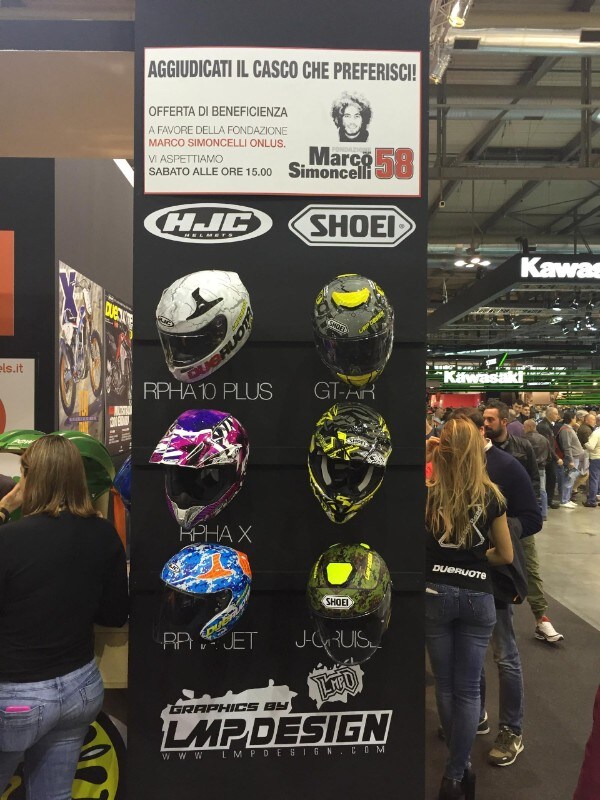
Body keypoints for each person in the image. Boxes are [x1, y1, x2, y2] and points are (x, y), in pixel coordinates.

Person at [0, 434, 129, 799]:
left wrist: (5, 507)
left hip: (17, 697)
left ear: (29, 478)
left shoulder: (8, 539)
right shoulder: (104, 534)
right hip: (79, 689)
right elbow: (115, 615)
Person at [425, 418, 513, 799]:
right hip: (478, 597)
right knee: (468, 689)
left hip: (434, 594)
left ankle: (458, 769)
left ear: (442, 450)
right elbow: (506, 555)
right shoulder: (492, 496)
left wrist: (428, 455)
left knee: (445, 687)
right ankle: (456, 774)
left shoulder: (429, 493)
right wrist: (475, 560)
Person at [483, 401, 563, 645]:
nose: (486, 424)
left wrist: (529, 514)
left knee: (530, 569)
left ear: (504, 422)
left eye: (490, 419)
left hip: (517, 521)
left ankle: (541, 618)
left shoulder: (522, 446)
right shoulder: (479, 451)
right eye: (484, 419)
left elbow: (533, 481)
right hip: (488, 524)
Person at [523, 418, 551, 520]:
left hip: (527, 468)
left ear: (530, 427)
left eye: (524, 427)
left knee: (526, 489)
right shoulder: (544, 439)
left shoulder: (523, 440)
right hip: (541, 468)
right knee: (542, 490)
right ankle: (544, 513)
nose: (523, 429)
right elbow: (549, 456)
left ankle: (529, 512)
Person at [557, 411, 586, 507]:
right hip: (572, 458)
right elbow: (567, 446)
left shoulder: (569, 429)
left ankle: (567, 498)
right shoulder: (566, 430)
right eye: (575, 418)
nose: (576, 420)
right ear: (571, 419)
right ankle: (564, 500)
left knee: (571, 479)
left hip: (575, 458)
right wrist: (570, 460)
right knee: (569, 479)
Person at [537, 406, 562, 509]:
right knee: (550, 478)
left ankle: (548, 500)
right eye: (555, 413)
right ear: (549, 414)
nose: (557, 416)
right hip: (547, 457)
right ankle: (547, 501)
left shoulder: (548, 425)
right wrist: (557, 458)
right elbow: (547, 445)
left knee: (551, 478)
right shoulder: (543, 426)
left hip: (548, 456)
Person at [583, 421, 600, 508]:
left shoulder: (596, 433)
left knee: (594, 479)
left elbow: (591, 446)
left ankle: (591, 501)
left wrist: (585, 443)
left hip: (596, 458)